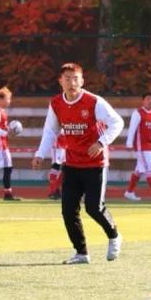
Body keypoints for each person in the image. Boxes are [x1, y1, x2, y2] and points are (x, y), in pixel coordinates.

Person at [33, 63, 125, 264]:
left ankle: (114, 235)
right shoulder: (56, 103)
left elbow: (118, 122)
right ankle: (81, 253)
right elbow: (50, 131)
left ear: (82, 81)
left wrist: (102, 142)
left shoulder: (94, 102)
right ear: (61, 81)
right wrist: (40, 154)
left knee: (93, 207)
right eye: (67, 79)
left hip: (95, 163)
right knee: (68, 210)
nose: (72, 83)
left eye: (76, 78)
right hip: (72, 163)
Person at [123, 92, 151, 201]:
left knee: (139, 169)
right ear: (143, 101)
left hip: (150, 146)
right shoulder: (138, 113)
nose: (150, 101)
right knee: (149, 167)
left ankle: (129, 192)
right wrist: (129, 143)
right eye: (148, 99)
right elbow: (132, 129)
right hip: (141, 146)